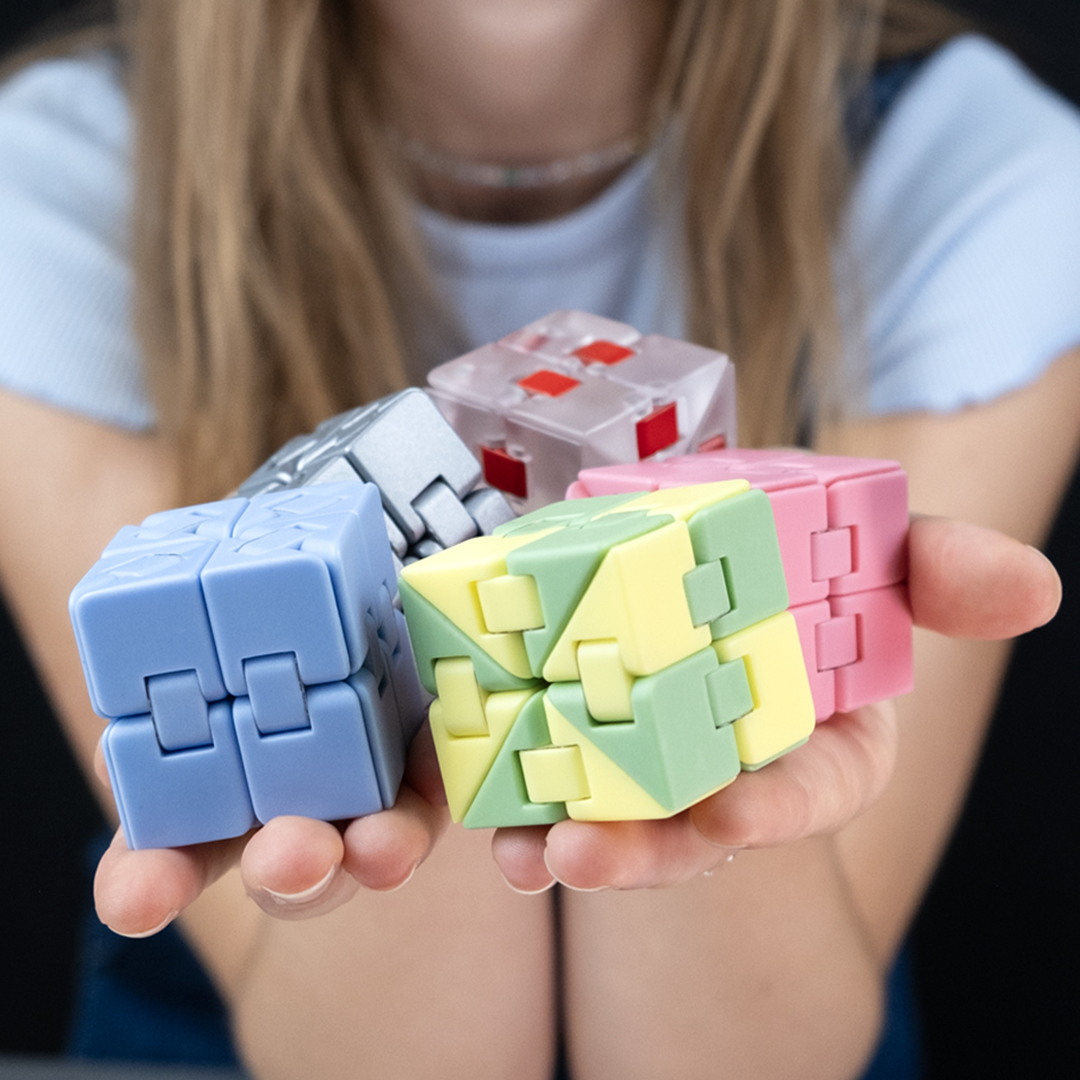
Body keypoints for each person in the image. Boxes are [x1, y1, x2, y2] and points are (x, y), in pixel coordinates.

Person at [1, 1, 1078, 1077]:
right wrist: (460, 685)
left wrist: (693, 653)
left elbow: (742, 1054)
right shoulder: (50, 193)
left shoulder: (979, 180)